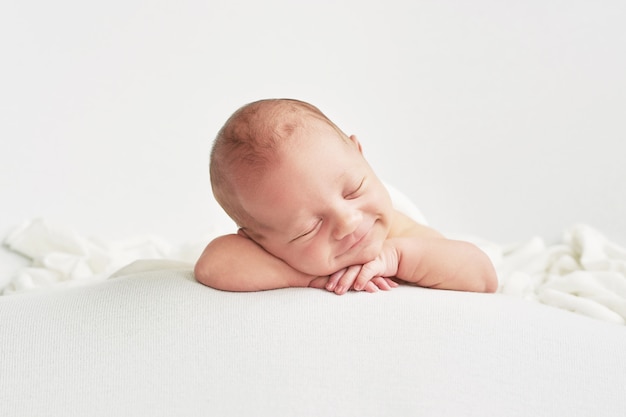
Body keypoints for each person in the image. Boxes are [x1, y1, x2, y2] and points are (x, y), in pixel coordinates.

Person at [194, 99, 498, 295]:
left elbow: (482, 277)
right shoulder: (276, 251)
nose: (348, 221)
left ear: (360, 154)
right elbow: (211, 265)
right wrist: (310, 278)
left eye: (354, 190)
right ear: (259, 241)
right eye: (308, 228)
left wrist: (394, 257)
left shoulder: (398, 230)